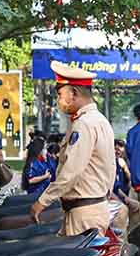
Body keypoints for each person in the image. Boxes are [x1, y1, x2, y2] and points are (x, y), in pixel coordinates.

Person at [31, 61, 115, 235]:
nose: (59, 101)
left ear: (74, 93)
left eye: (61, 94)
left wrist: (42, 202)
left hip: (83, 214)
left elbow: (71, 171)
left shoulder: (83, 124)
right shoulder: (99, 120)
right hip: (93, 208)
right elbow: (110, 167)